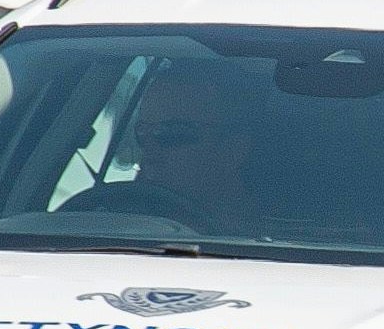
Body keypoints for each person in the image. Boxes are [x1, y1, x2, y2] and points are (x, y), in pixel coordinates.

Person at [62, 61, 262, 231]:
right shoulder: (110, 227)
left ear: (234, 149)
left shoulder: (278, 243)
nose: (149, 152)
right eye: (141, 133)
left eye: (173, 133)